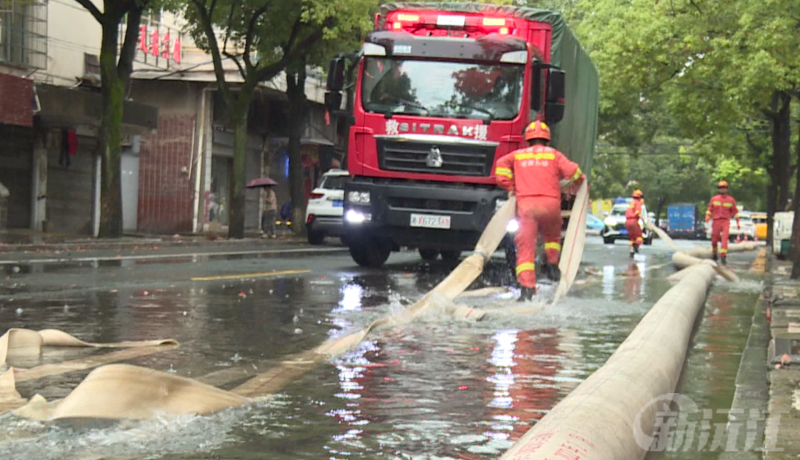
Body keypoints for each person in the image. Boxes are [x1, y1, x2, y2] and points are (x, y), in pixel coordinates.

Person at [495, 121, 586, 302]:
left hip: (527, 206)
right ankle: (552, 264)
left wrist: (511, 186)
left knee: (525, 248)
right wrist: (579, 182)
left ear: (527, 139)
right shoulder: (554, 155)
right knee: (552, 238)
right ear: (547, 139)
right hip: (550, 205)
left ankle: (527, 290)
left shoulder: (518, 156)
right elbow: (574, 172)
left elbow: (500, 166)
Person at [705, 180, 740, 264]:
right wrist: (707, 216)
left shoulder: (731, 200)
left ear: (727, 189)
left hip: (725, 221)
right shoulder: (714, 199)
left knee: (724, 239)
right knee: (714, 239)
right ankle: (714, 253)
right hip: (716, 221)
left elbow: (735, 212)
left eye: (724, 188)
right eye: (720, 188)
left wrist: (738, 222)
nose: (722, 189)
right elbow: (710, 209)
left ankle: (723, 256)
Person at [625, 189, 645, 258]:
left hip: (627, 222)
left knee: (632, 238)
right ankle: (636, 246)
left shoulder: (631, 203)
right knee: (639, 237)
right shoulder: (637, 203)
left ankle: (632, 251)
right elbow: (638, 213)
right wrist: (644, 220)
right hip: (633, 221)